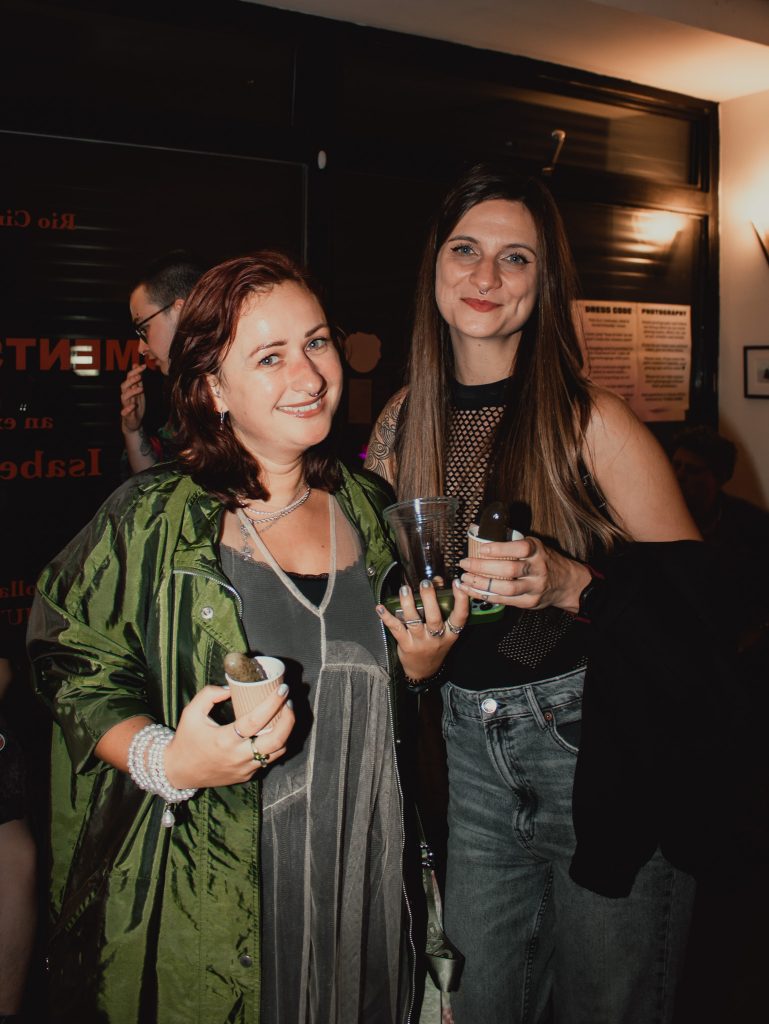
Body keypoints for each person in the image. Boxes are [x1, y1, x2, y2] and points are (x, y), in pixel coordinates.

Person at [28, 251, 469, 1024]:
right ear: (210, 389)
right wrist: (166, 757)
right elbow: (71, 661)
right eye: (268, 357)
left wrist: (420, 665)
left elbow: (380, 684)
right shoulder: (153, 518)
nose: (308, 375)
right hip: (222, 884)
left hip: (363, 863)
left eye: (317, 341)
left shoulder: (367, 504)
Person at [366, 163, 716, 1024]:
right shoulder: (400, 420)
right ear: (434, 267)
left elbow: (703, 612)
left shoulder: (590, 420)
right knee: (482, 1004)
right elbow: (378, 580)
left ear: (543, 282)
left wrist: (569, 580)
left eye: (514, 259)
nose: (485, 278)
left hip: (594, 752)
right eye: (466, 250)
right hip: (468, 759)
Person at [671, 424, 769, 667]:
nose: (679, 476)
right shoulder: (658, 521)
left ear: (718, 477)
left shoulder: (752, 524)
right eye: (675, 465)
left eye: (692, 470)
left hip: (736, 647)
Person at [122, 250, 203, 473]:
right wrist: (132, 429)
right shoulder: (188, 391)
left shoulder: (240, 386)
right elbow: (157, 488)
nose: (141, 347)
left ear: (181, 311)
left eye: (144, 329)